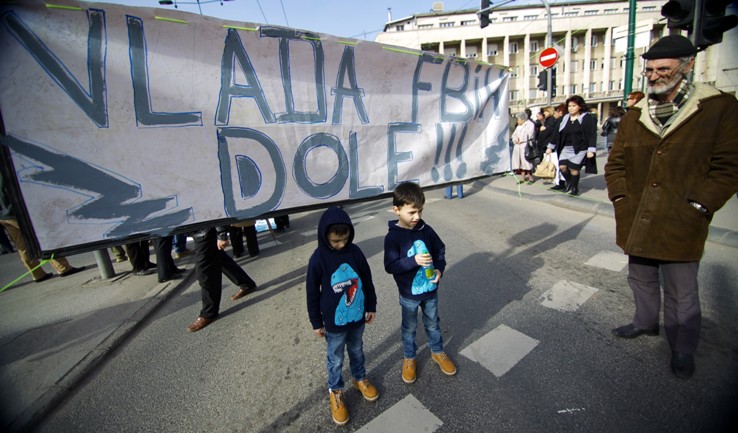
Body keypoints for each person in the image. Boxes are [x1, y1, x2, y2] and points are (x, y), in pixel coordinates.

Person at [605, 35, 738, 380]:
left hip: (683, 218)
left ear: (687, 65)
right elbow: (615, 163)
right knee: (641, 278)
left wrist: (700, 205)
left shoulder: (718, 108)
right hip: (637, 214)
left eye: (663, 68)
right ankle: (645, 323)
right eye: (649, 69)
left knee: (682, 291)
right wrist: (620, 197)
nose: (654, 75)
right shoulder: (636, 114)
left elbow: (729, 167)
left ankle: (682, 348)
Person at [306, 206, 378, 425]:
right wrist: (316, 321)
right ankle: (336, 390)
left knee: (357, 350)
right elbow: (311, 291)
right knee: (335, 359)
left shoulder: (355, 252)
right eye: (336, 241)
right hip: (333, 324)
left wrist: (371, 305)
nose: (341, 244)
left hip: (357, 317)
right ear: (324, 236)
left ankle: (359, 378)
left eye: (345, 239)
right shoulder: (318, 258)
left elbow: (366, 278)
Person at [384, 182, 456, 384]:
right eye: (412, 212)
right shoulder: (393, 237)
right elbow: (390, 265)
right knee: (409, 328)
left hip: (430, 290)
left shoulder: (426, 230)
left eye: (420, 211)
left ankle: (437, 351)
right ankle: (409, 357)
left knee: (433, 323)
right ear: (396, 210)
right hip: (408, 295)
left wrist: (440, 269)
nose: (417, 217)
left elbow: (440, 250)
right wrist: (412, 261)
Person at [0, 173, 84, 282]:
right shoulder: (6, 166)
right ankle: (63, 267)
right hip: (17, 211)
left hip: (4, 215)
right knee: (43, 238)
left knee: (22, 246)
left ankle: (37, 274)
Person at [186, 226, 258, 332]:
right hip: (199, 230)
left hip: (205, 230)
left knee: (204, 272)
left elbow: (212, 210)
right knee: (219, 258)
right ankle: (247, 283)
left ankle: (209, 312)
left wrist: (221, 233)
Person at [545, 95, 597, 196]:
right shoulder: (564, 118)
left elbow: (592, 134)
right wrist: (550, 147)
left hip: (579, 149)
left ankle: (574, 188)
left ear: (580, 106)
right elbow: (556, 133)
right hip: (565, 148)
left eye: (573, 106)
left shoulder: (586, 118)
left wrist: (591, 150)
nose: (571, 108)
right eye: (569, 106)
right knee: (562, 167)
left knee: (574, 169)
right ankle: (569, 182)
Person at [511, 111, 536, 185]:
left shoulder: (530, 124)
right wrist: (516, 140)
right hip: (518, 146)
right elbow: (514, 135)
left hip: (525, 145)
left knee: (527, 162)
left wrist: (521, 139)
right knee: (520, 162)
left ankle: (531, 178)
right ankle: (522, 178)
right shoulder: (519, 126)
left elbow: (529, 135)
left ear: (522, 119)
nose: (517, 121)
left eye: (518, 119)